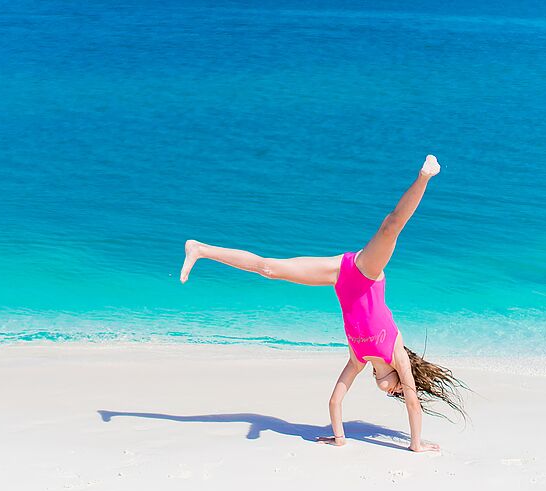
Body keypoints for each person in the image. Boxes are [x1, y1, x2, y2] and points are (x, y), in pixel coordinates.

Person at [180, 155, 465, 452]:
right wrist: (416, 445)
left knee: (268, 269)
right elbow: (413, 403)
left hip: (340, 275)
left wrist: (339, 438)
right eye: (396, 389)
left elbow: (335, 400)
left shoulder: (358, 358)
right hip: (365, 271)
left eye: (393, 393)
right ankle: (425, 176)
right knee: (391, 227)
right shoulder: (395, 350)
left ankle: (200, 249)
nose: (394, 392)